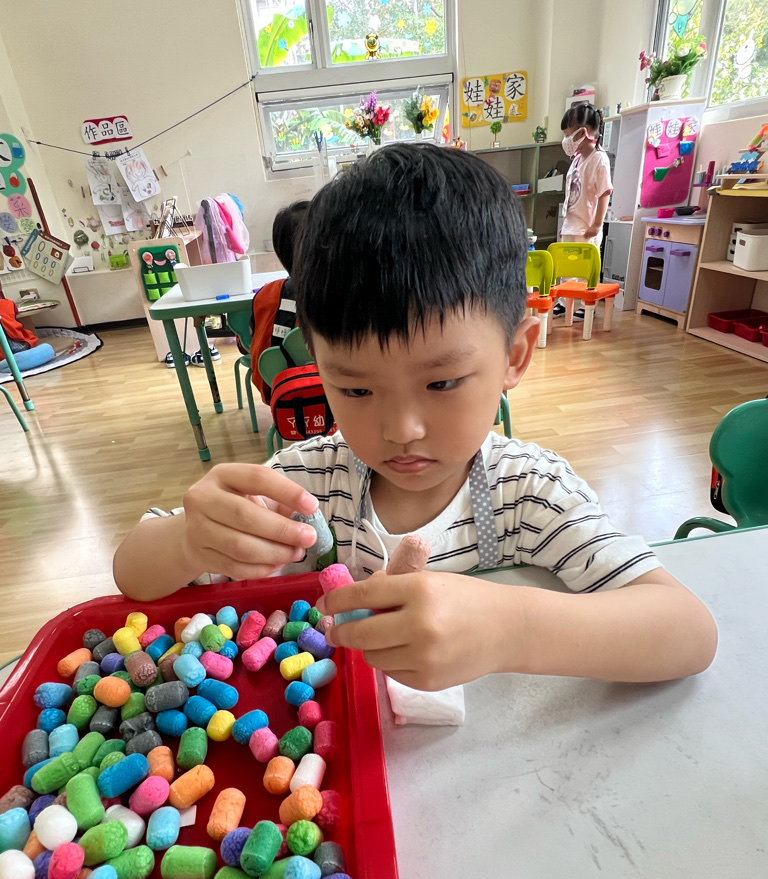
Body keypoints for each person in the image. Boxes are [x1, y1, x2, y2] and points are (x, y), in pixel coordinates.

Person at [114, 144, 717, 692]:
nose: (400, 429)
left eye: (442, 382)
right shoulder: (304, 487)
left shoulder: (528, 494)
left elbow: (688, 630)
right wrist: (189, 540)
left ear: (514, 356)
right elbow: (132, 572)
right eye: (355, 388)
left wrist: (512, 629)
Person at [552, 103, 613, 320]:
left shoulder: (599, 159)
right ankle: (564, 301)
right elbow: (571, 192)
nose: (566, 140)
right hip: (571, 223)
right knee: (567, 266)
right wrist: (565, 223)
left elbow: (604, 193)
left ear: (582, 133)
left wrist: (597, 224)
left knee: (586, 268)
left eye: (568, 134)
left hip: (587, 227)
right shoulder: (577, 159)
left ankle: (586, 305)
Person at [246, 200, 310, 399]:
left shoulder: (265, 295)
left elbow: (249, 341)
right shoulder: (343, 297)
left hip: (275, 390)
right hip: (335, 395)